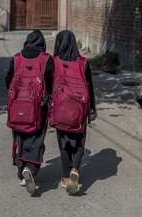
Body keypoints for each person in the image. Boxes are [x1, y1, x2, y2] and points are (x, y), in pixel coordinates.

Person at [5, 30, 54, 195]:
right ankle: (30, 169)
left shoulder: (16, 58)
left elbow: (8, 80)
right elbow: (50, 83)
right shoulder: (46, 59)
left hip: (17, 105)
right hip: (38, 107)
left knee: (20, 136)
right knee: (36, 137)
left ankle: (21, 168)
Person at [50, 30, 96, 195]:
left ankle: (64, 177)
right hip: (79, 111)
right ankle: (75, 169)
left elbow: (48, 87)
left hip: (60, 109)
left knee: (64, 144)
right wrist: (92, 110)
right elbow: (90, 88)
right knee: (79, 143)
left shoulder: (53, 62)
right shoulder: (83, 63)